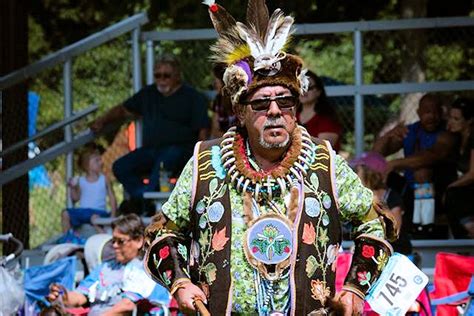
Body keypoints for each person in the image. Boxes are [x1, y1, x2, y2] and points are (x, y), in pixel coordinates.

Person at [143, 1, 398, 315]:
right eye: (262, 104)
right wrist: (181, 283)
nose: (276, 111)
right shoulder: (208, 162)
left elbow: (375, 223)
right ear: (240, 111)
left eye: (286, 101)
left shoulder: (322, 161)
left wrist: (356, 288)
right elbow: (162, 231)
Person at [90, 54, 210, 206]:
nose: (161, 79)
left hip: (181, 151)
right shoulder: (148, 94)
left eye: (166, 76)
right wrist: (102, 121)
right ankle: (143, 198)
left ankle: (144, 201)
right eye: (157, 75)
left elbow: (203, 131)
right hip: (151, 150)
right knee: (120, 166)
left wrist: (200, 159)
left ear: (177, 76)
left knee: (165, 160)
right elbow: (123, 110)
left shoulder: (193, 97)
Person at [48, 214, 169, 315]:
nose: (115, 246)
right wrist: (63, 297)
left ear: (138, 241)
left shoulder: (146, 269)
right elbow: (81, 296)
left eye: (120, 241)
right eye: (113, 241)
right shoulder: (105, 268)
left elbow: (126, 307)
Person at [373, 93, 457, 237]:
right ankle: (379, 222)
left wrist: (394, 164)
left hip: (440, 189)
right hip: (410, 188)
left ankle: (425, 225)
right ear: (419, 113)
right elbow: (376, 155)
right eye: (427, 112)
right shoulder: (411, 130)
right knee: (375, 173)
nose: (432, 116)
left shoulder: (448, 132)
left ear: (442, 113)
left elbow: (431, 156)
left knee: (422, 171)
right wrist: (389, 135)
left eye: (436, 112)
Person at [351, 151, 412, 254]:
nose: (354, 176)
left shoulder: (392, 197)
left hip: (394, 252)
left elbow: (395, 231)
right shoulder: (360, 197)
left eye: (358, 171)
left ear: (370, 174)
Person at [60, 144, 117, 236]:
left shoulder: (104, 179)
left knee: (94, 217)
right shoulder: (80, 181)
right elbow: (75, 198)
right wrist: (73, 188)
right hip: (84, 212)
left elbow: (112, 197)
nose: (101, 163)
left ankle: (104, 236)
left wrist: (113, 215)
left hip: (99, 211)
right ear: (87, 165)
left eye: (100, 160)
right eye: (96, 161)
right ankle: (68, 238)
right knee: (65, 213)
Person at [444, 97, 474, 238]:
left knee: (452, 194)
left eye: (456, 119)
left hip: (469, 187)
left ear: (469, 121)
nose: (451, 122)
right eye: (450, 117)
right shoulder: (455, 139)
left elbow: (472, 174)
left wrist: (450, 187)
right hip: (464, 189)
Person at [298, 70, 343, 151]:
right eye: (300, 87)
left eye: (308, 87)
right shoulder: (291, 116)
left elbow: (325, 147)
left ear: (319, 92)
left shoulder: (327, 118)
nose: (304, 91)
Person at [210, 63, 237, 138]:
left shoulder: (239, 100)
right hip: (223, 140)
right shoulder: (218, 100)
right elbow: (215, 130)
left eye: (216, 80)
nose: (214, 84)